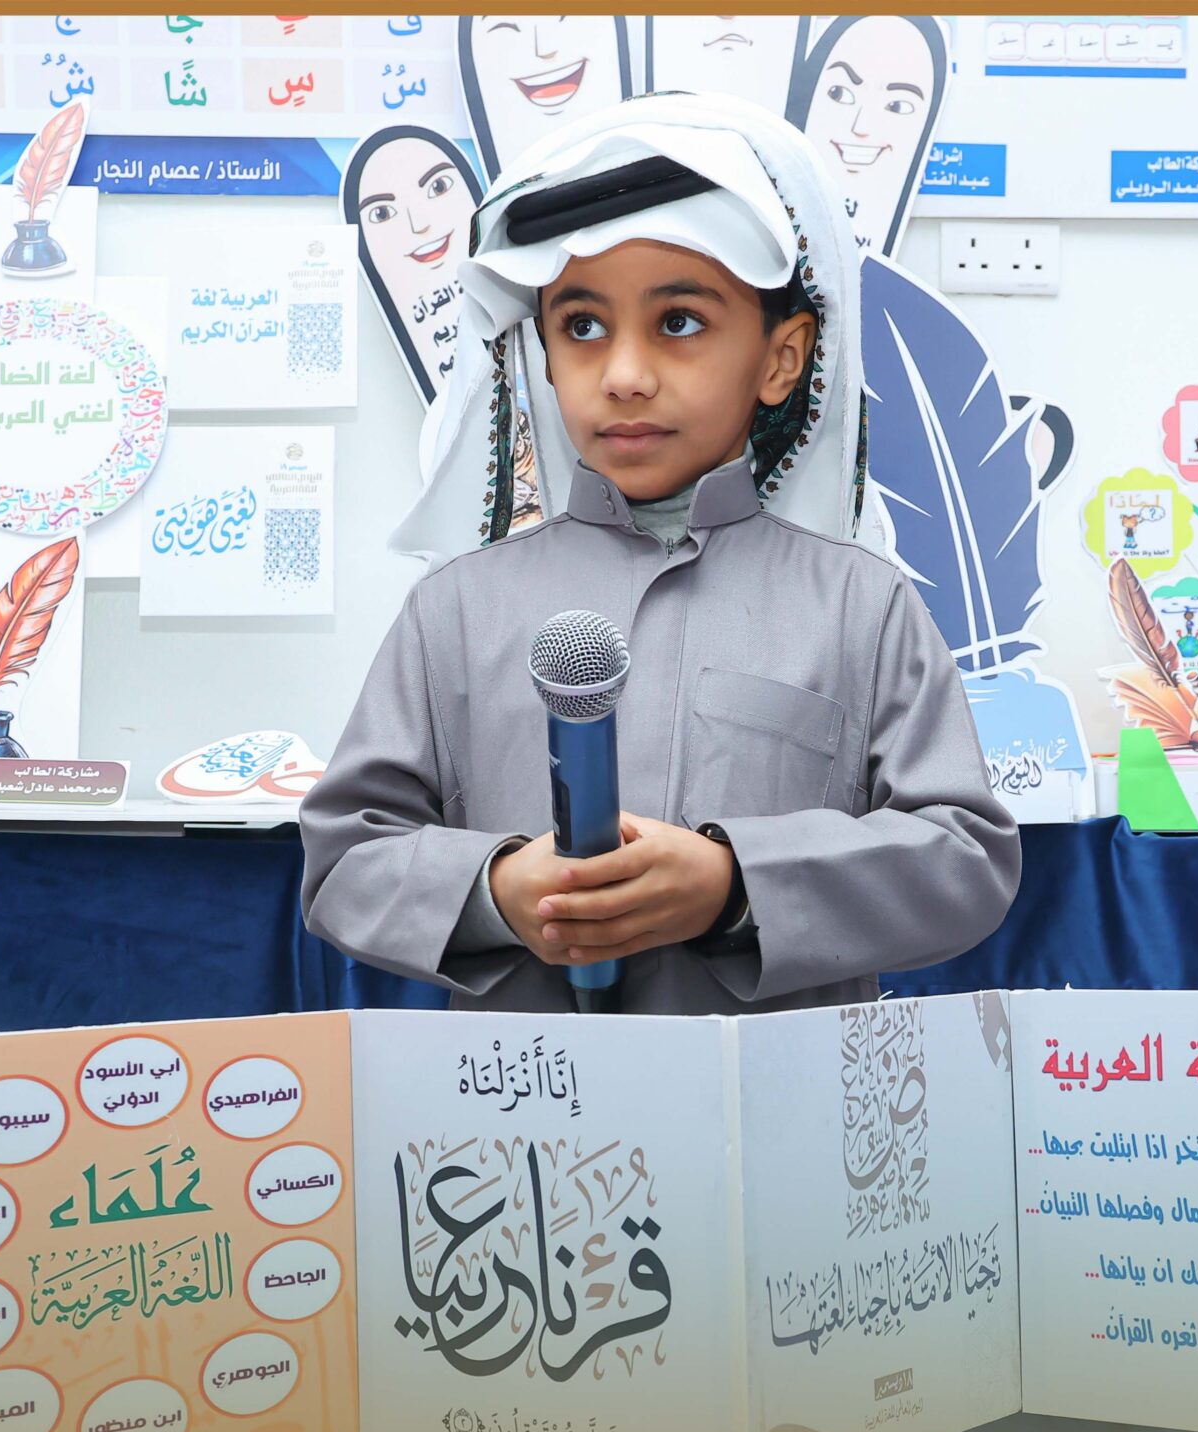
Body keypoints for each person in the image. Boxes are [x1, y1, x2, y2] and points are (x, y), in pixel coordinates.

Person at [300, 93, 1020, 1015]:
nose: (625, 374)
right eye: (582, 327)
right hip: (523, 1100)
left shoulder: (862, 605)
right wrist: (496, 889)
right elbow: (344, 860)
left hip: (776, 1101)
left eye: (678, 322)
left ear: (782, 358)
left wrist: (737, 883)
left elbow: (967, 857)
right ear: (544, 356)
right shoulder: (455, 609)